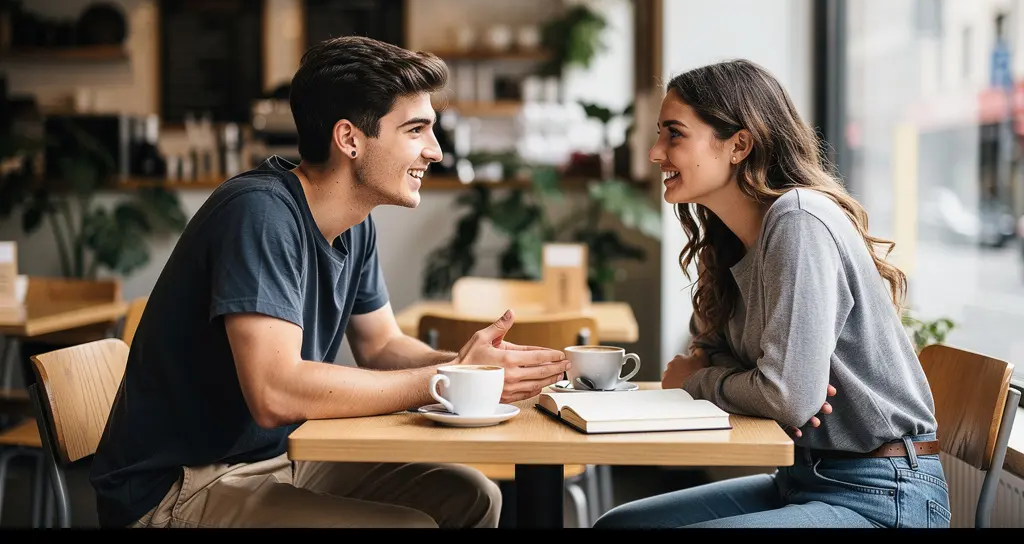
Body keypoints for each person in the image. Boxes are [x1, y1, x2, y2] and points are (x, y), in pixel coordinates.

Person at [89, 36, 571, 529]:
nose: (435, 150)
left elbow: (381, 345)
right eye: (416, 130)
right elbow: (275, 392)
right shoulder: (259, 214)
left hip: (277, 460)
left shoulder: (354, 223)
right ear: (350, 139)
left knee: (472, 497)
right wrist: (447, 378)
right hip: (178, 487)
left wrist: (475, 367)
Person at [593, 59, 949, 529]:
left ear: (739, 144)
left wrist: (699, 381)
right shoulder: (728, 240)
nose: (656, 152)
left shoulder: (798, 220)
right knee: (619, 526)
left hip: (884, 495)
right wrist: (744, 380)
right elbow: (730, 365)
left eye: (674, 133)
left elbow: (782, 397)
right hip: (802, 481)